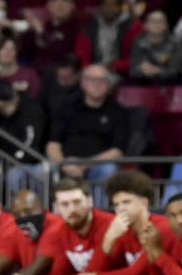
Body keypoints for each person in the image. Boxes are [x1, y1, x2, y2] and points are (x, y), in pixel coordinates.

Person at [46, 63, 128, 194]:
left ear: (109, 85)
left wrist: (84, 164)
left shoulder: (118, 112)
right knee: (43, 169)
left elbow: (117, 151)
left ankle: (100, 213)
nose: (97, 84)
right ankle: (47, 212)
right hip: (65, 164)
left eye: (102, 80)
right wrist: (65, 164)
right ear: (83, 83)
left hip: (97, 166)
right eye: (92, 79)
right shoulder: (66, 108)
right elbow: (52, 146)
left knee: (108, 169)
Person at [75, 0, 137, 75]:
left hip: (119, 73)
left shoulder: (130, 27)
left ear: (120, 7)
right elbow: (81, 56)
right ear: (100, 7)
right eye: (105, 4)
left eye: (113, 5)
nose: (109, 8)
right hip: (92, 72)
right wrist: (91, 69)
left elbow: (136, 57)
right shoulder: (89, 27)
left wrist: (115, 66)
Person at [21, 0, 81, 74]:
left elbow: (62, 56)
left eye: (65, 0)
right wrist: (29, 31)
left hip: (59, 79)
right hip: (35, 76)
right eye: (55, 0)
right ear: (47, 6)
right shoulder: (43, 27)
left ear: (72, 6)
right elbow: (25, 53)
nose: (59, 4)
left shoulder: (75, 30)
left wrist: (41, 33)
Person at [129, 9, 182, 82]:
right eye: (153, 21)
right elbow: (133, 70)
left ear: (166, 25)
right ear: (145, 25)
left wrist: (158, 71)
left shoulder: (176, 43)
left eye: (161, 21)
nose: (157, 24)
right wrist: (141, 70)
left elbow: (177, 71)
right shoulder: (138, 42)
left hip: (170, 84)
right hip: (143, 84)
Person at [0, 33, 40, 98]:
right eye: (3, 48)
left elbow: (36, 102)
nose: (7, 52)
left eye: (12, 49)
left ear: (17, 53)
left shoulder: (30, 74)